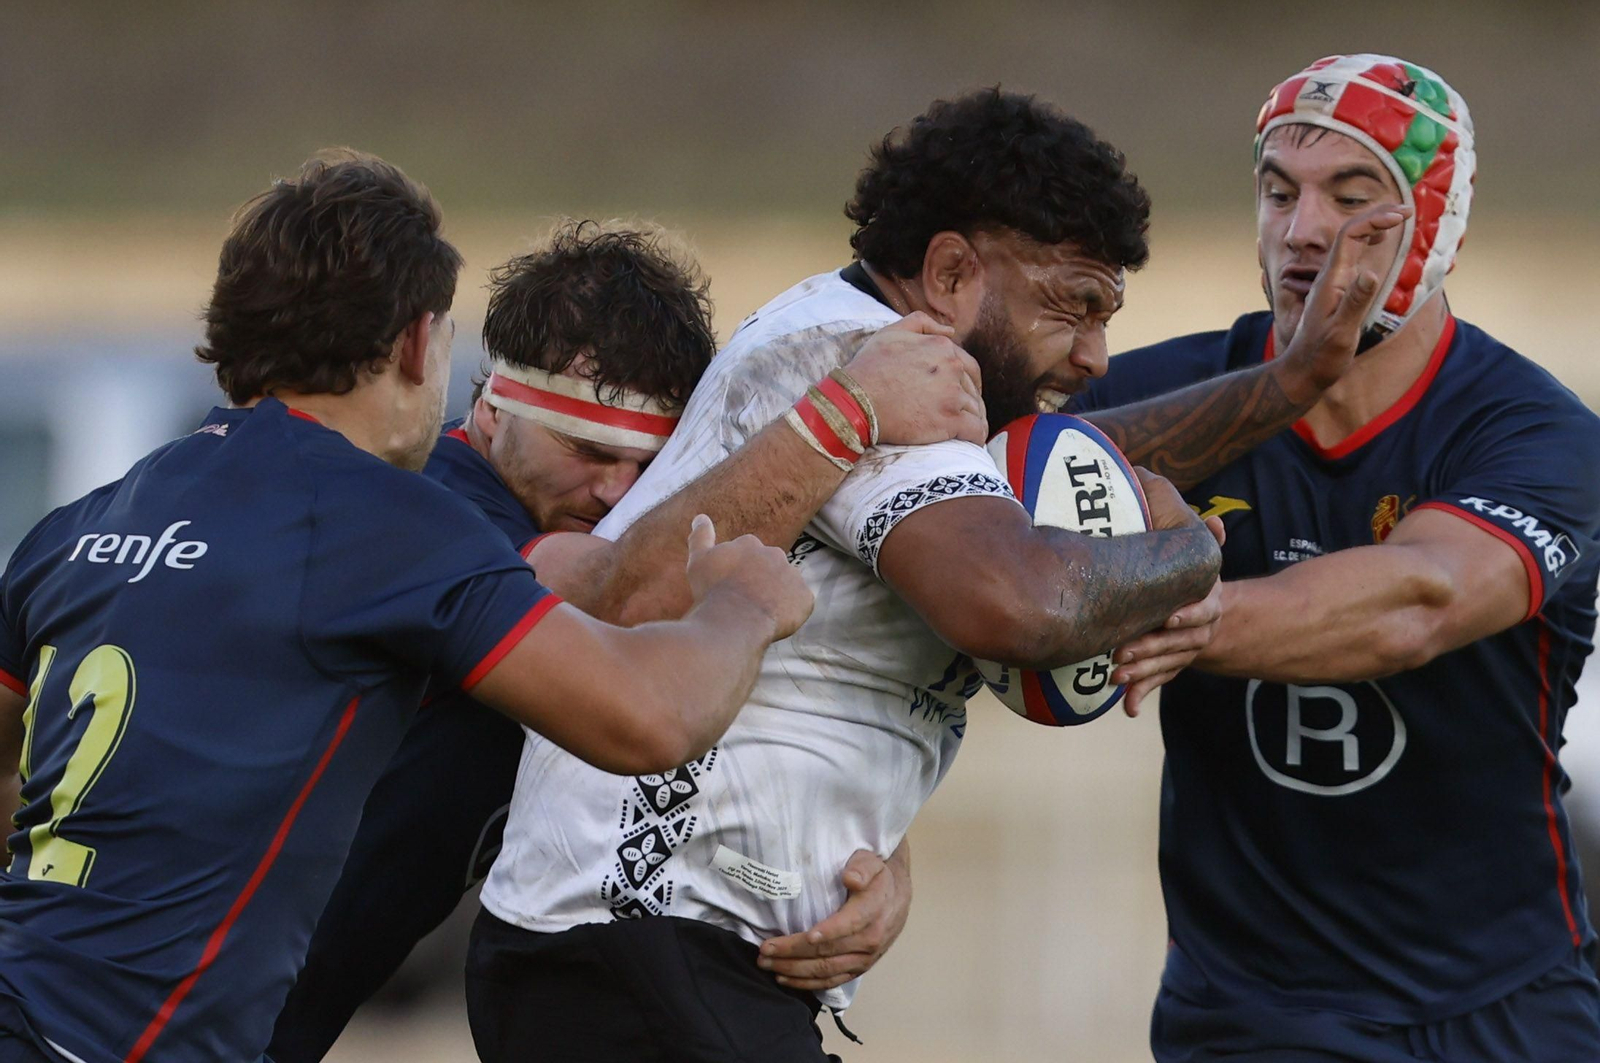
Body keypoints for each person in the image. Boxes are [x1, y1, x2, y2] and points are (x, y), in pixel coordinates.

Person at [466, 88, 1402, 1062]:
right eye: (1071, 305)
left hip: (652, 954)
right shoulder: (875, 364)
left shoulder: (872, 355)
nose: (1094, 353)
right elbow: (1014, 600)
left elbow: (1063, 464)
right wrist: (1192, 555)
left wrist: (1290, 382)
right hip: (644, 940)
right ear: (952, 272)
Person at [0, 152, 826, 1063]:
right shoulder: (392, 520)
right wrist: (746, 600)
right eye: (588, 447)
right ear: (419, 345)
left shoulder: (83, 523)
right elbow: (651, 712)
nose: (619, 492)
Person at [267, 221, 961, 1061]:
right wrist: (847, 411)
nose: (616, 493)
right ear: (492, 407)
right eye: (588, 450)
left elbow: (734, 690)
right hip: (203, 973)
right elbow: (615, 603)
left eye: (650, 471)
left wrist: (876, 853)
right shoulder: (437, 507)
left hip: (276, 999)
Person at [1088, 55, 1600, 1061]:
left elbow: (1419, 599)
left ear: (1434, 223)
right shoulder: (1157, 403)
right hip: (1257, 1007)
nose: (1303, 228)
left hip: (1513, 993)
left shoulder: (1537, 433)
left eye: (1350, 196)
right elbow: (942, 515)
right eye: (1278, 192)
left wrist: (1188, 614)